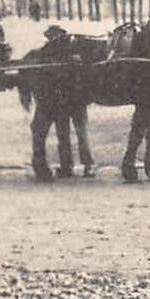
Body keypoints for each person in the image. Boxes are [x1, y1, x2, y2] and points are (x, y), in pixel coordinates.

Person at [21, 24, 94, 181]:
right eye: (52, 37)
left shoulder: (46, 55)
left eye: (55, 36)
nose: (53, 39)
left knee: (56, 132)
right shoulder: (71, 55)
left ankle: (63, 166)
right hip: (65, 101)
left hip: (60, 101)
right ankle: (70, 166)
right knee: (66, 132)